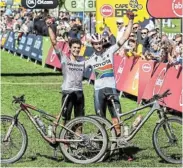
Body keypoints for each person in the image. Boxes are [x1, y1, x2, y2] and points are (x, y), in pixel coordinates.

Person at [85, 11, 135, 136]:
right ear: (92, 44)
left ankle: (119, 145)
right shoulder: (90, 59)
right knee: (100, 122)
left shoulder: (110, 51)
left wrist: (131, 20)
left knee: (117, 120)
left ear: (102, 43)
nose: (98, 46)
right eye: (95, 44)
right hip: (98, 91)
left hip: (111, 89)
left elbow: (125, 37)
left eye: (99, 43)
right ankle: (103, 147)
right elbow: (77, 68)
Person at [46, 18, 85, 127]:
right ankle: (65, 141)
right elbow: (54, 43)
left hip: (79, 92)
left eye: (78, 48)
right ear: (70, 48)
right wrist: (49, 27)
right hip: (67, 91)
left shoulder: (83, 60)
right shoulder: (64, 58)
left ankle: (77, 140)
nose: (76, 50)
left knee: (79, 120)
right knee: (65, 119)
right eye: (74, 48)